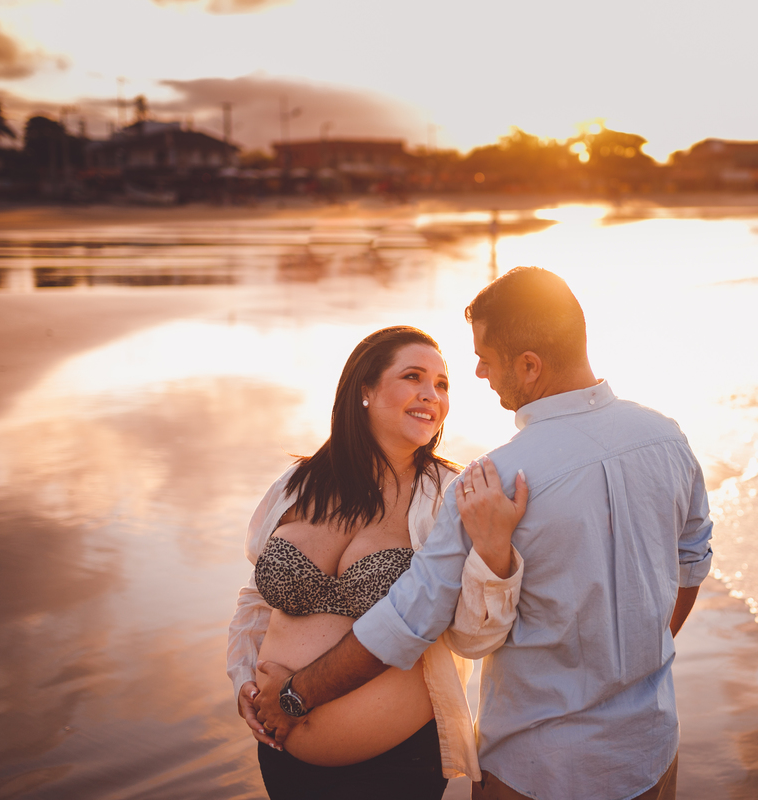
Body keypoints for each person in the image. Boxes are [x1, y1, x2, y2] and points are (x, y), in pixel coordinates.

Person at [256, 268, 714, 800]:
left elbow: (411, 620)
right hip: (649, 751)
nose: (479, 372)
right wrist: (639, 658)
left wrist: (295, 695)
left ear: (529, 365)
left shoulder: (491, 482)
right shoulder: (666, 438)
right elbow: (693, 561)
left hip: (537, 768)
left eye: (486, 358)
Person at [227, 325, 528, 799]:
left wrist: (494, 552)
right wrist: (245, 684)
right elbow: (256, 599)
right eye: (413, 377)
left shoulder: (451, 496)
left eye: (442, 384)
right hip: (281, 759)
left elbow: (474, 639)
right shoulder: (298, 484)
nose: (432, 395)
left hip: (393, 768)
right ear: (364, 390)